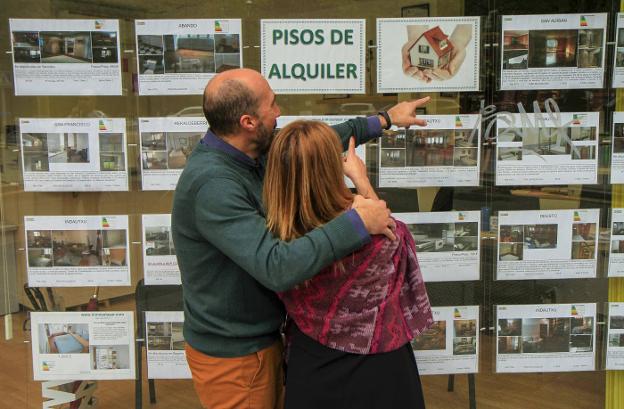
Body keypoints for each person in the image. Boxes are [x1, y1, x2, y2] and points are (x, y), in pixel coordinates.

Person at [171, 68, 429, 409]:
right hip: (236, 357)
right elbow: (276, 265)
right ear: (248, 121)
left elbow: (314, 144)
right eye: (272, 105)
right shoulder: (214, 184)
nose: (278, 112)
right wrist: (356, 222)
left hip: (265, 343)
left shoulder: (250, 152)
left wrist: (384, 120)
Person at [263, 120, 433, 409]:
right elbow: (391, 232)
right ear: (332, 168)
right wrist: (361, 180)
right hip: (381, 369)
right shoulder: (374, 236)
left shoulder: (276, 240)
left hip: (313, 368)